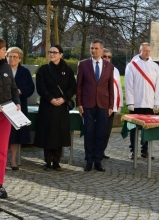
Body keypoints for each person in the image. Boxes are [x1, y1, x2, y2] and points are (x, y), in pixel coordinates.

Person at [34, 45, 76, 171]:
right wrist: (50, 99)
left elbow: (72, 87)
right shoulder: (43, 69)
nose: (52, 54)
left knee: (59, 134)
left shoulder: (68, 70)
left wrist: (64, 98)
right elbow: (41, 87)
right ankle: (47, 161)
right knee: (48, 134)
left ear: (61, 54)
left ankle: (56, 161)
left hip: (62, 107)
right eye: (50, 52)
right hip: (47, 106)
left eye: (55, 52)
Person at [76, 40, 114, 172]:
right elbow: (79, 86)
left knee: (100, 133)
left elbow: (110, 88)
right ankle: (89, 160)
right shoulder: (83, 64)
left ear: (102, 50)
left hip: (103, 104)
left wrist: (111, 105)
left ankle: (98, 160)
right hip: (88, 103)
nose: (94, 51)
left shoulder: (109, 66)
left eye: (96, 48)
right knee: (88, 132)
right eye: (92, 48)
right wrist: (79, 103)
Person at [125, 42, 159, 159]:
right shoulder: (132, 65)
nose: (147, 53)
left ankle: (145, 150)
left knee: (148, 128)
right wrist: (130, 102)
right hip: (136, 103)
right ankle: (133, 150)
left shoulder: (155, 66)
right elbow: (128, 85)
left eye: (149, 51)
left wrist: (157, 102)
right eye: (145, 51)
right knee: (132, 127)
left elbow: (158, 85)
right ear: (140, 50)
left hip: (149, 103)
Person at [7, 47, 35, 170]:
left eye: (15, 57)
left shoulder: (25, 72)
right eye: (9, 56)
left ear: (19, 58)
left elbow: (30, 87)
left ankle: (13, 159)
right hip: (3, 105)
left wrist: (20, 91)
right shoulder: (2, 69)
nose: (12, 59)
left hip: (18, 106)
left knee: (15, 134)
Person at [0, 39, 21, 198]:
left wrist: (17, 103)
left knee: (2, 150)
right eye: (4, 49)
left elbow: (13, 88)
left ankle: (0, 184)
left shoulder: (6, 67)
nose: (5, 52)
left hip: (5, 114)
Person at [102, 48, 123, 159]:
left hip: (112, 105)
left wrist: (120, 104)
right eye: (104, 56)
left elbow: (118, 88)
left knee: (107, 131)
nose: (107, 58)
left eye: (109, 57)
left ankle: (102, 151)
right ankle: (95, 152)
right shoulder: (97, 69)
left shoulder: (115, 70)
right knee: (99, 131)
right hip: (101, 105)